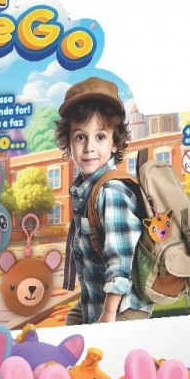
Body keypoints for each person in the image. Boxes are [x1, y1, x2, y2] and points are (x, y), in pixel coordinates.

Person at [56, 76, 153, 325]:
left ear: (114, 143)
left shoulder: (111, 191)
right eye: (80, 137)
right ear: (68, 143)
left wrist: (108, 314)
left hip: (122, 308)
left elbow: (121, 259)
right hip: (98, 299)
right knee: (72, 324)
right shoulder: (86, 189)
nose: (89, 147)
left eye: (100, 137)